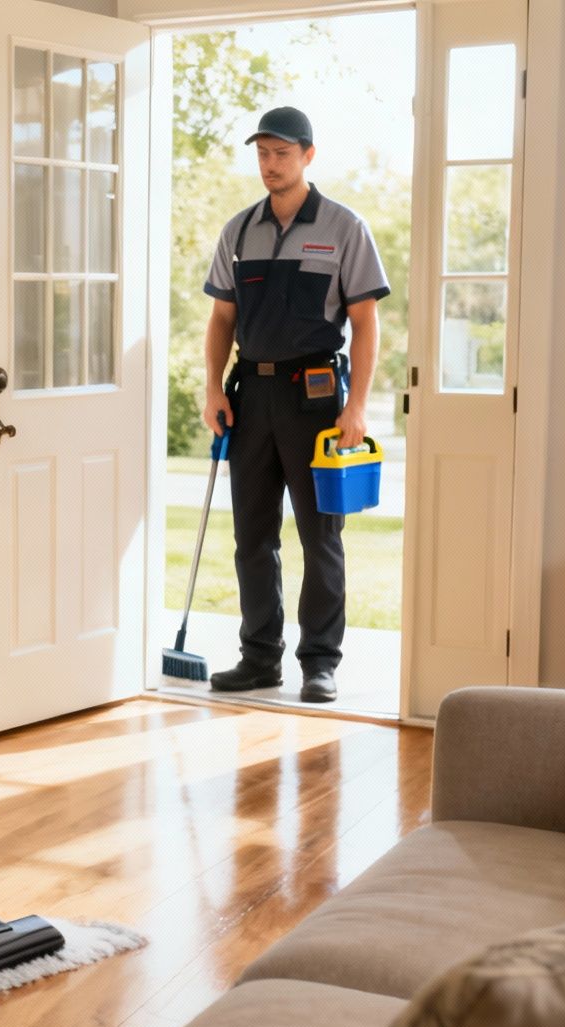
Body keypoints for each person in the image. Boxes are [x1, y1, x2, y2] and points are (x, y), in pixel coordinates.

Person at [199, 106, 390, 704]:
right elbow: (222, 317)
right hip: (250, 397)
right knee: (253, 536)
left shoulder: (343, 227)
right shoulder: (238, 230)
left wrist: (355, 406)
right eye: (262, 153)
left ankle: (319, 663)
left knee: (319, 535)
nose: (270, 164)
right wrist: (211, 387)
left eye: (281, 153)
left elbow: (365, 322)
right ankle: (259, 657)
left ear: (308, 155)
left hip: (314, 400)